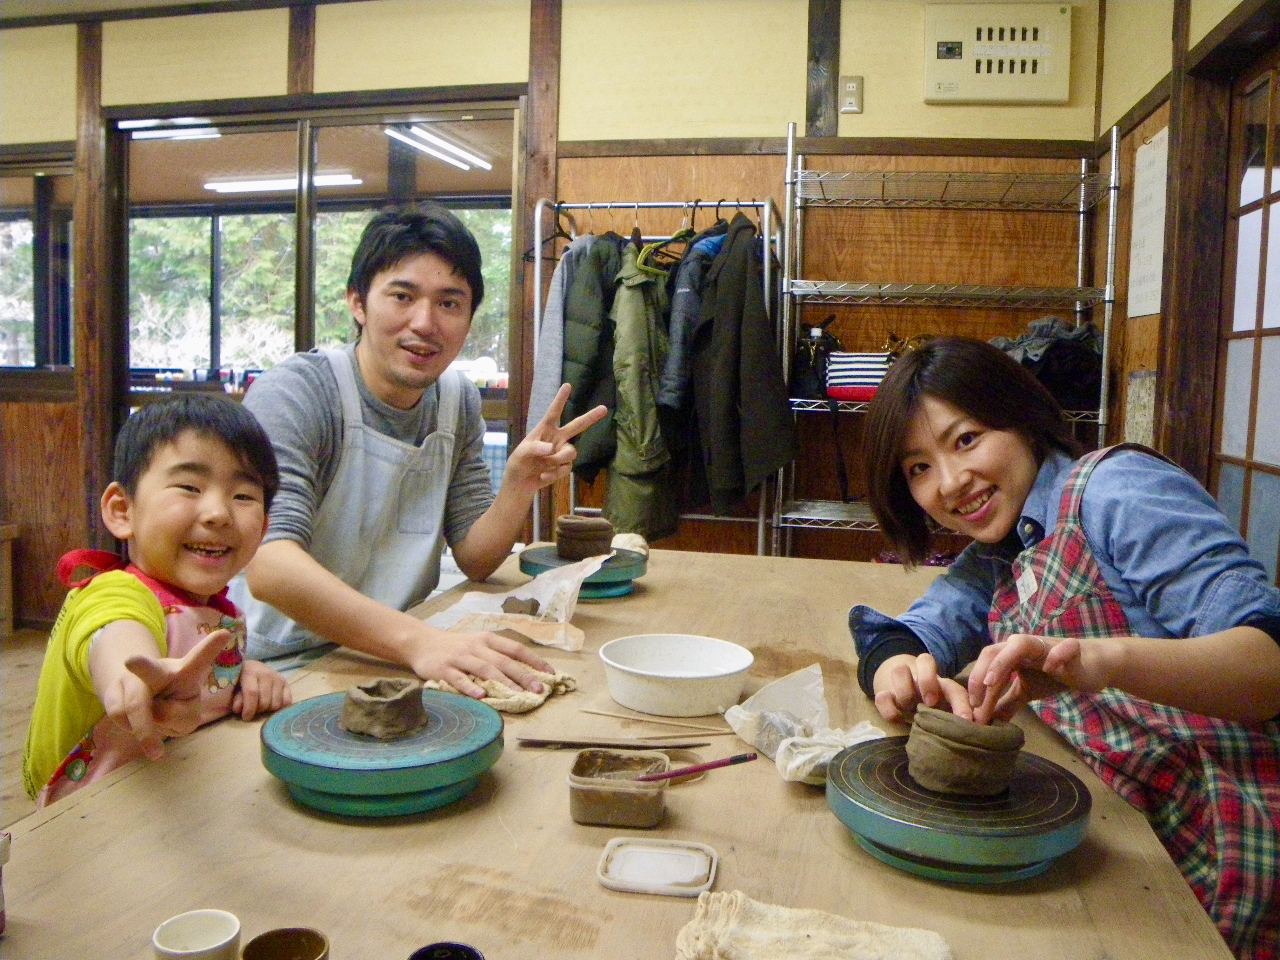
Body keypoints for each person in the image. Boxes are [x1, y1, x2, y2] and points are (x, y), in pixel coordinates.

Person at [850, 335, 1280, 960]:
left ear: (1022, 418)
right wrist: (900, 669)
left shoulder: (1115, 490)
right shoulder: (999, 551)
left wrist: (1103, 661)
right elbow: (907, 630)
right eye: (918, 467)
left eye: (965, 440)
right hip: (1127, 833)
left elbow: (1268, 666)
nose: (950, 482)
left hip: (1234, 830)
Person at [231, 202, 606, 700]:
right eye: (402, 296)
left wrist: (519, 484)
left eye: (449, 303)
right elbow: (271, 565)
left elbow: (474, 557)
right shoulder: (299, 392)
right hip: (275, 666)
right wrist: (422, 642)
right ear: (358, 303)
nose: (425, 322)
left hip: (392, 656)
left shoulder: (455, 399)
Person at [23, 394, 292, 808]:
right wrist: (138, 682)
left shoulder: (223, 609)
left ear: (263, 529)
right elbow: (115, 637)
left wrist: (245, 673)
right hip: (85, 825)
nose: (218, 512)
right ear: (122, 510)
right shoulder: (114, 592)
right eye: (189, 487)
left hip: (176, 802)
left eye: (243, 496)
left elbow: (200, 665)